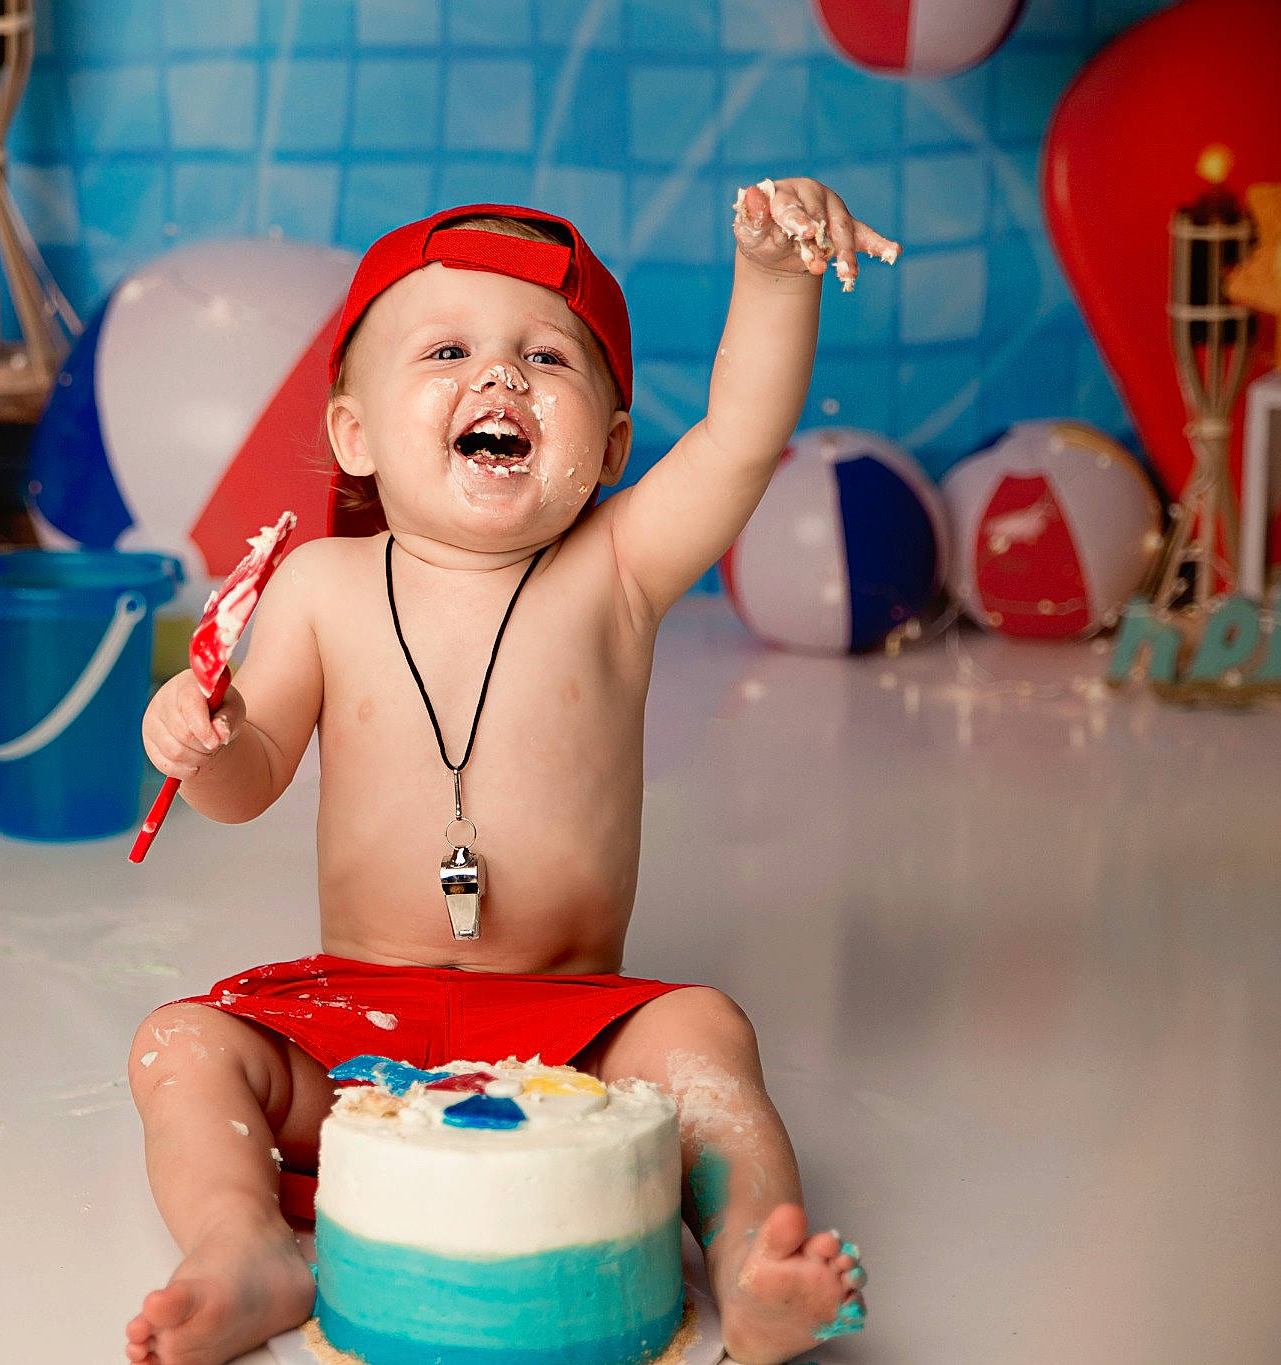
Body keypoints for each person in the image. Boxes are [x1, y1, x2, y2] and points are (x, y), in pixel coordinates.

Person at [126, 182, 899, 1365]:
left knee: (700, 1030)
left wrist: (774, 274)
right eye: (445, 351)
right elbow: (250, 781)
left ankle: (749, 1258)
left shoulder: (617, 565)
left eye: (545, 356)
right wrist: (207, 737)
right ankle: (246, 1246)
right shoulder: (323, 587)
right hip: (354, 1031)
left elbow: (740, 435)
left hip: (569, 1039)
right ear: (354, 435)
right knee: (179, 1046)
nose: (499, 376)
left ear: (612, 446)